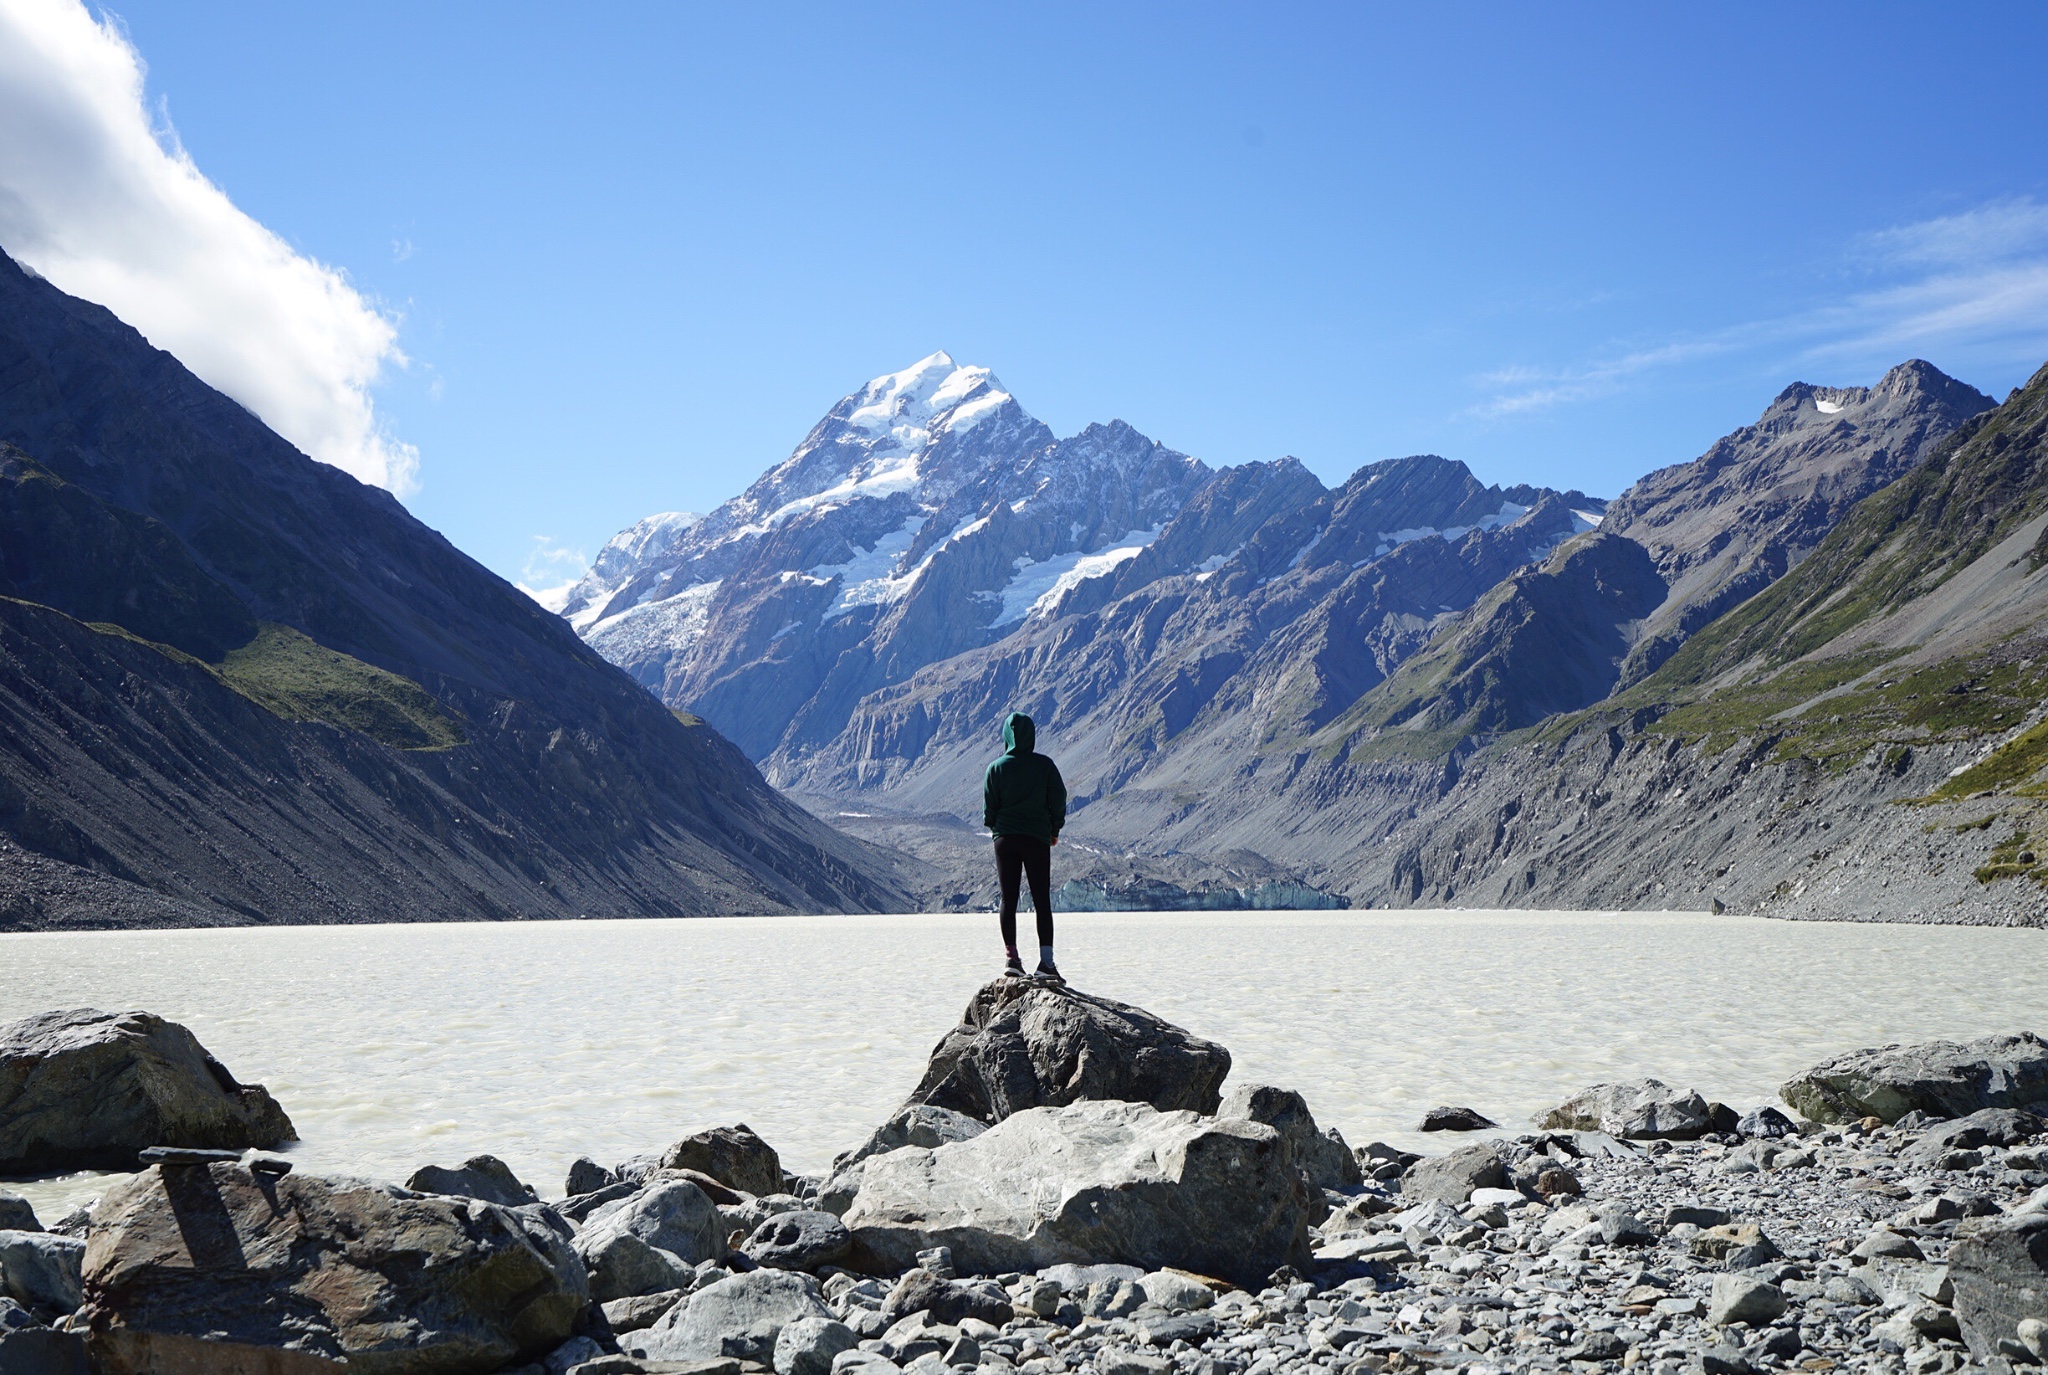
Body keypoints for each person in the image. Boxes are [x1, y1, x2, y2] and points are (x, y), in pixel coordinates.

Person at [982, 711, 1067, 982]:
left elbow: (989, 810)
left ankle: (1012, 959)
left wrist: (998, 828)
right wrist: (1054, 829)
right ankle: (1047, 964)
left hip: (1005, 839)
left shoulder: (995, 768)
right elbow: (1058, 797)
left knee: (1008, 898)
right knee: (1041, 900)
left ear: (1006, 735)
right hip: (1036, 839)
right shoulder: (1045, 766)